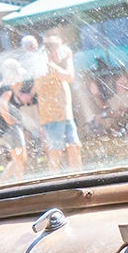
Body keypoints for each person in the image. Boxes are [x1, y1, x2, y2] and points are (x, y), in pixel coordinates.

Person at [35, 35, 81, 171]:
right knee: (56, 151)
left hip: (64, 114)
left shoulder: (49, 65)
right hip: (53, 116)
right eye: (60, 50)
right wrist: (69, 58)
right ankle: (55, 179)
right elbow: (69, 76)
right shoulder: (46, 65)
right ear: (53, 51)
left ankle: (78, 176)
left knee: (74, 146)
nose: (61, 54)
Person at [0, 60, 31, 180]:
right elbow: (2, 105)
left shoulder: (6, 86)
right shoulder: (7, 88)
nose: (21, 78)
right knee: (19, 157)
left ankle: (2, 183)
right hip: (11, 127)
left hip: (10, 127)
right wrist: (9, 119)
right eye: (19, 75)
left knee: (20, 157)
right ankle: (18, 183)